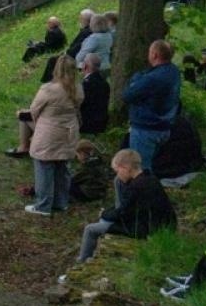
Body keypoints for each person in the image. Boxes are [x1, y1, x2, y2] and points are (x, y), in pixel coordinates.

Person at [75, 148, 176, 263]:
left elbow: (123, 212)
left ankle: (82, 261)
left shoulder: (136, 187)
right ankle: (92, 256)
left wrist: (104, 214)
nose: (117, 175)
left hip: (146, 229)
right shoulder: (150, 178)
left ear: (125, 168)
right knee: (105, 220)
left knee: (90, 229)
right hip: (163, 223)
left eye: (117, 171)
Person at [24, 55, 83, 216]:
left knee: (44, 166)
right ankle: (60, 202)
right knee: (62, 167)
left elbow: (34, 109)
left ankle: (43, 205)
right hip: (69, 131)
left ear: (57, 69)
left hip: (49, 132)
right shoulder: (78, 88)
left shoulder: (49, 89)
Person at [121, 39, 181, 171]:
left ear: (154, 55)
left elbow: (127, 95)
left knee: (141, 168)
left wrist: (136, 80)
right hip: (165, 124)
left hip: (146, 128)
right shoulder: (174, 71)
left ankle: (144, 189)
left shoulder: (151, 79)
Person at [79, 53, 111, 133]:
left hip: (86, 124)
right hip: (102, 123)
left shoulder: (86, 84)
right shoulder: (105, 83)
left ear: (85, 66)